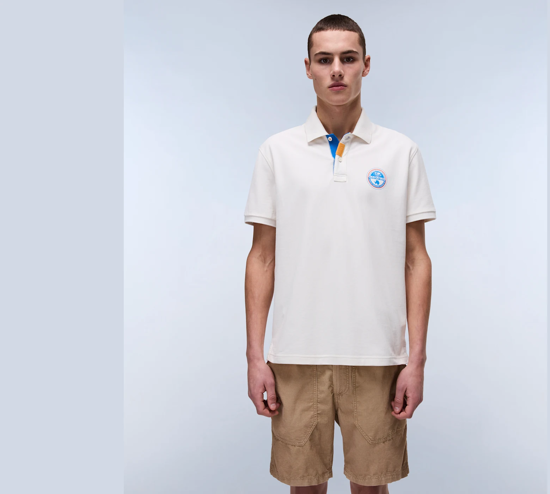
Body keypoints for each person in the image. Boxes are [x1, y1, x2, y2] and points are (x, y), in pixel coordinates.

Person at [243, 14, 436, 494]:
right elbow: (261, 258)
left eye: (348, 59)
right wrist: (255, 356)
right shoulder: (277, 152)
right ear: (307, 67)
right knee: (304, 487)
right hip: (295, 355)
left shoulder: (401, 152)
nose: (336, 70)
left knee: (371, 487)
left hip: (377, 357)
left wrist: (415, 360)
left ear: (366, 65)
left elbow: (416, 259)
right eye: (324, 59)